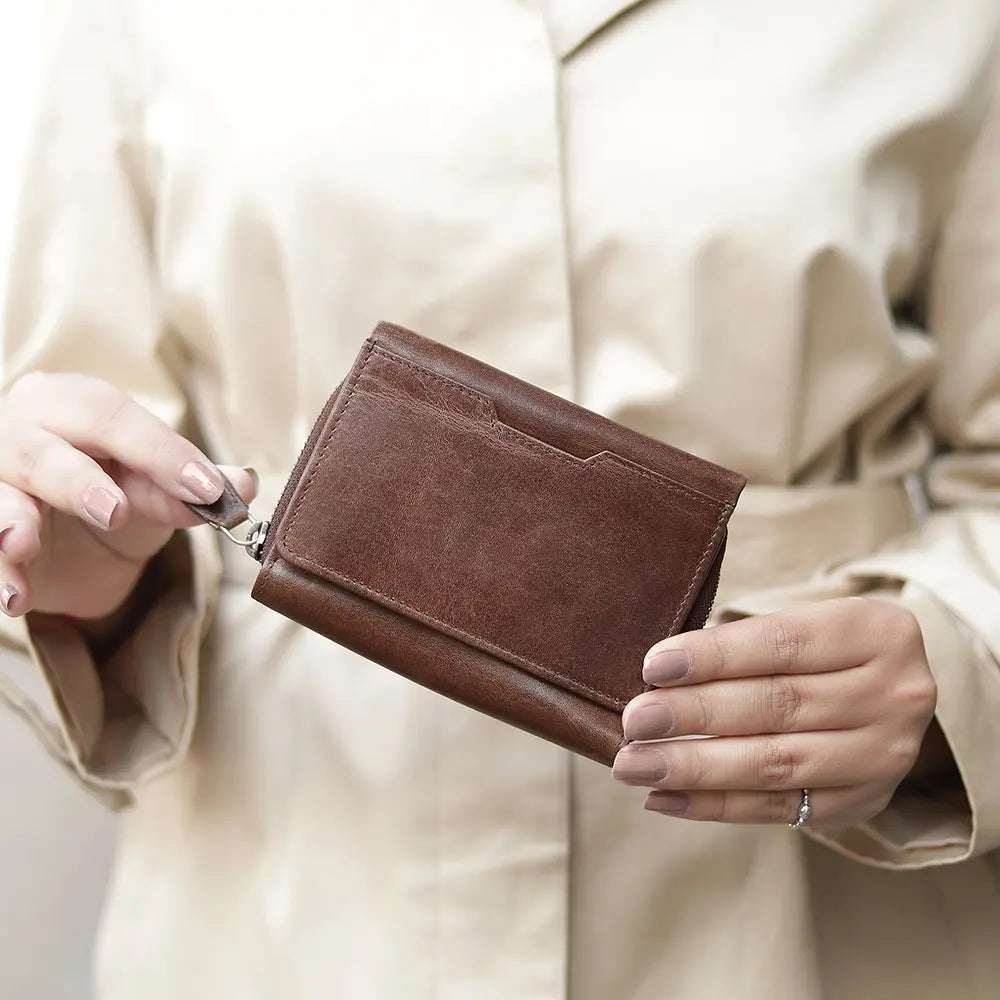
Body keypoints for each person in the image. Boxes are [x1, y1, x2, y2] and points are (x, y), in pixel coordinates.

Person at [1, 1, 999, 997]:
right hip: (290, 892)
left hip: (795, 908)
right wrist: (92, 567)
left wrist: (946, 668)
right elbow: (68, 419)